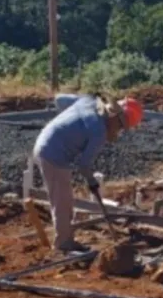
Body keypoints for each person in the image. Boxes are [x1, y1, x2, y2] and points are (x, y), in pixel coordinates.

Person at [32, 93, 144, 252]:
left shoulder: (89, 101)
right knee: (62, 202)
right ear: (116, 117)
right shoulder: (99, 132)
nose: (118, 131)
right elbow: (83, 164)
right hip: (52, 154)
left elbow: (59, 100)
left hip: (45, 140)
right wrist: (92, 181)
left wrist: (68, 125)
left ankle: (66, 240)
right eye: (120, 126)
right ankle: (63, 244)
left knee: (65, 199)